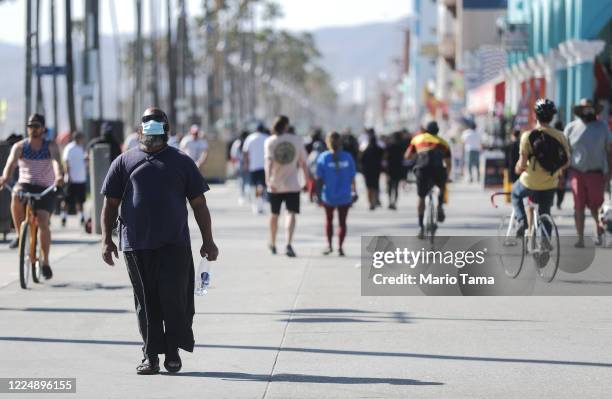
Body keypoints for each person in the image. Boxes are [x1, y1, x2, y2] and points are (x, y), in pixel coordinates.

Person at [100, 107, 218, 375]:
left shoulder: (182, 161)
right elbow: (110, 204)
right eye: (146, 124)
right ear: (140, 129)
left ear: (165, 129)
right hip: (135, 245)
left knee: (176, 301)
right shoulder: (123, 161)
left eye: (156, 125)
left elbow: (199, 204)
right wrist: (106, 240)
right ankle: (151, 356)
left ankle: (173, 350)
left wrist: (208, 241)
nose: (150, 130)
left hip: (174, 244)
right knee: (146, 302)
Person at [0, 114, 64, 277]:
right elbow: (10, 164)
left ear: (43, 128)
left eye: (36, 126)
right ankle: (20, 234)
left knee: (43, 221)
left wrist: (58, 177)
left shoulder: (50, 146)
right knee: (15, 194)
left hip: (45, 187)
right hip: (26, 183)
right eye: (30, 126)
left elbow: (56, 162)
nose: (33, 130)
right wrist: (5, 177)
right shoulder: (20, 147)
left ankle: (46, 262)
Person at [512, 99, 570, 238]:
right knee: (545, 213)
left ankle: (521, 221)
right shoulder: (560, 136)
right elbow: (567, 161)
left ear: (535, 115)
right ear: (552, 117)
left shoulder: (527, 136)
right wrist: (554, 170)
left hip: (530, 182)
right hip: (550, 183)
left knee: (515, 193)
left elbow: (522, 164)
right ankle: (544, 245)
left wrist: (519, 168)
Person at [564, 98, 612, 247]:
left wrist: (609, 170)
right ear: (579, 110)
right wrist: (561, 173)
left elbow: (609, 150)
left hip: (596, 173)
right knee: (578, 207)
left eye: (590, 108)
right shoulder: (571, 127)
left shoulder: (602, 127)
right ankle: (580, 239)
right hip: (576, 172)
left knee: (595, 206)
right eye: (584, 109)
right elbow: (565, 152)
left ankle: (598, 232)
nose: (587, 111)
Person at [264, 115, 308, 257]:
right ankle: (288, 243)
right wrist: (306, 180)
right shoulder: (296, 140)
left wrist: (268, 181)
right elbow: (303, 163)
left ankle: (273, 243)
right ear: (287, 126)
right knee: (291, 213)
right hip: (293, 184)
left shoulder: (270, 141)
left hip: (275, 185)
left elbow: (269, 163)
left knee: (274, 214)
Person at [404, 121, 451, 239]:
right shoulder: (443, 143)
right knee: (441, 186)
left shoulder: (417, 139)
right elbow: (448, 163)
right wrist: (447, 176)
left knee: (421, 197)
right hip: (438, 170)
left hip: (422, 170)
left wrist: (417, 154)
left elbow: (407, 156)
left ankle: (421, 227)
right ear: (437, 131)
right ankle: (440, 206)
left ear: (426, 130)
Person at [316, 132, 356, 256]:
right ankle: (340, 247)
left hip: (329, 195)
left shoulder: (323, 157)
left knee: (329, 221)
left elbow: (319, 179)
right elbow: (352, 177)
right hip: (345, 195)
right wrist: (354, 192)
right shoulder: (348, 157)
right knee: (342, 222)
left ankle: (329, 245)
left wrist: (317, 196)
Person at [61, 131, 87, 226]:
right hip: (71, 179)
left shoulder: (81, 148)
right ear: (78, 138)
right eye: (81, 138)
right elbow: (66, 162)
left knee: (80, 200)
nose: (83, 140)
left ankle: (81, 217)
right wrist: (68, 175)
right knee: (67, 200)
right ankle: (64, 217)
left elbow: (84, 160)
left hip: (81, 179)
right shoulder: (69, 148)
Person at [242, 124, 268, 214]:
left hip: (253, 166)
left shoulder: (250, 138)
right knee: (261, 185)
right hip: (264, 166)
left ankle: (255, 204)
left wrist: (245, 163)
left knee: (254, 186)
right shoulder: (266, 138)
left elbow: (245, 152)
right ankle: (260, 203)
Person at [360, 128, 384, 210]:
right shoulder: (379, 149)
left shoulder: (365, 150)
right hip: (376, 170)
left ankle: (370, 202)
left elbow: (361, 160)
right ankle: (375, 200)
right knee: (375, 186)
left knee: (368, 187)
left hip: (367, 171)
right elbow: (383, 158)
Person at [384, 131, 408, 210]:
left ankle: (390, 202)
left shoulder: (389, 145)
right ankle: (394, 202)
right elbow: (405, 157)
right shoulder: (402, 145)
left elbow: (385, 157)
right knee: (396, 186)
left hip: (390, 168)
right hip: (398, 168)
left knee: (390, 186)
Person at [230, 130, 250, 204]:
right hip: (248, 163)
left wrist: (233, 167)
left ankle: (242, 196)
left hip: (239, 163)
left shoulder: (237, 143)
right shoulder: (248, 141)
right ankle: (248, 196)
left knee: (241, 180)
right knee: (248, 180)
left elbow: (233, 155)